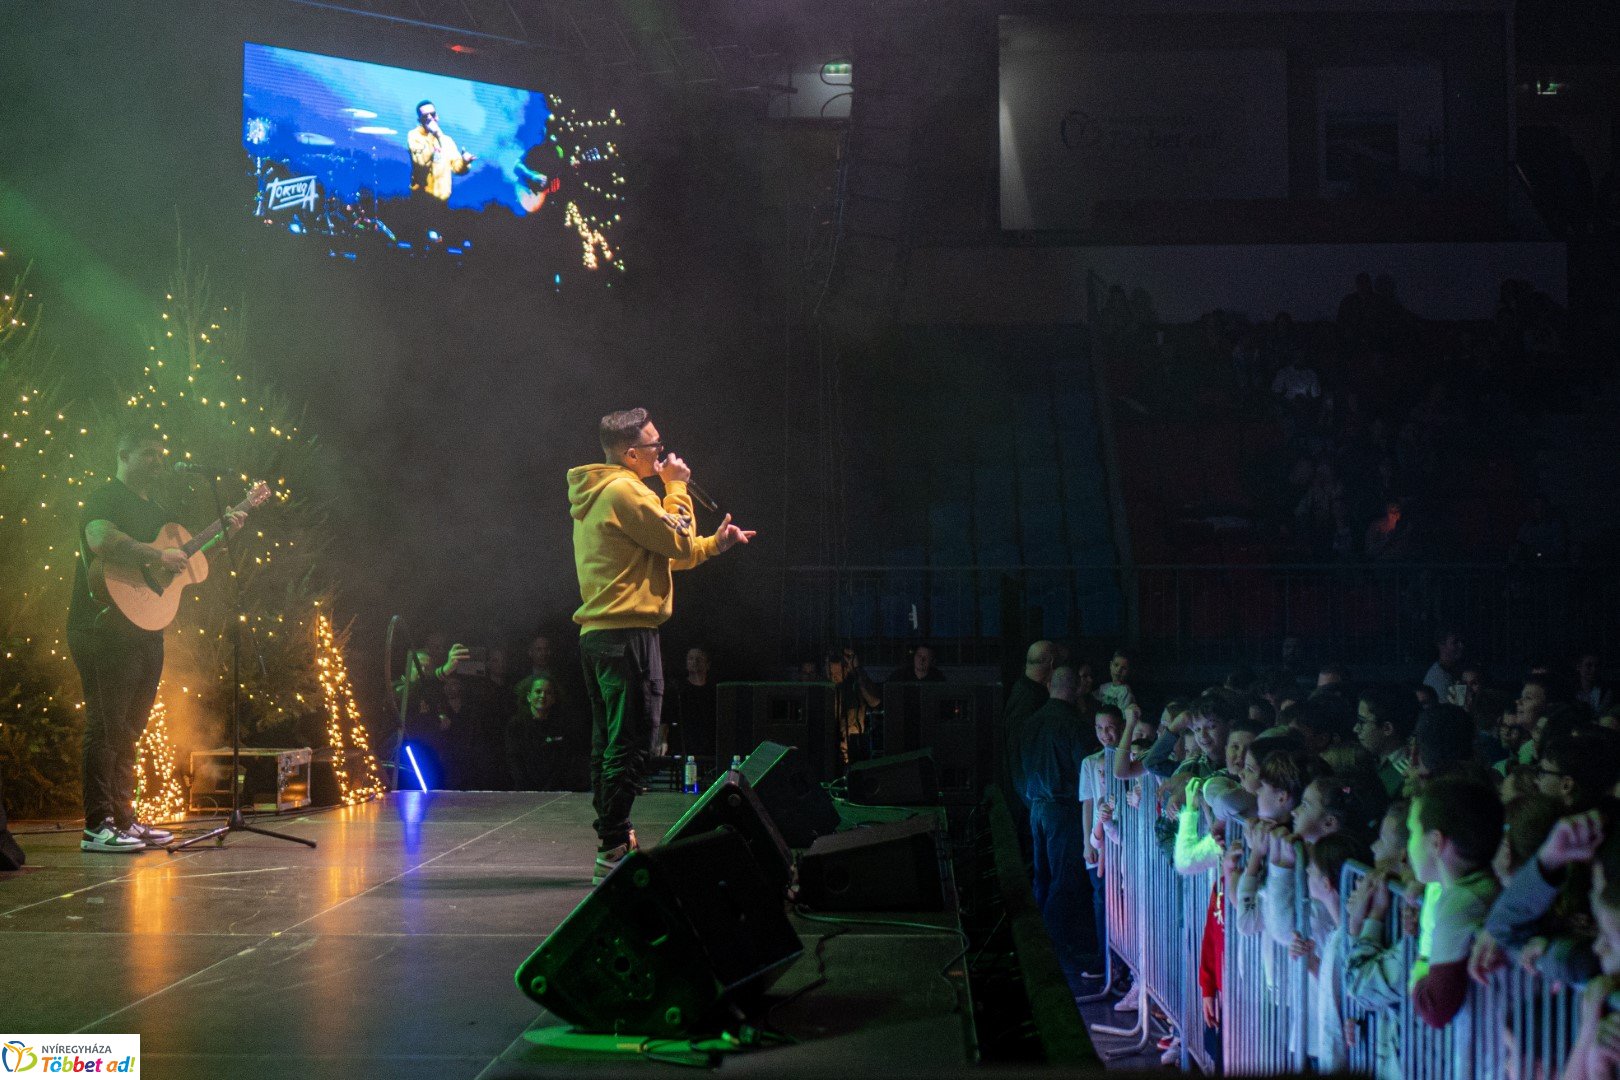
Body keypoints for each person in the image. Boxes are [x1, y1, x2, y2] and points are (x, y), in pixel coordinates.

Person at [568, 408, 754, 883]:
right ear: (632, 453)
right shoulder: (625, 491)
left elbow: (670, 553)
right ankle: (612, 846)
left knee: (611, 744)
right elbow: (677, 540)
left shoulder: (604, 492)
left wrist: (715, 544)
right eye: (655, 446)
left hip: (602, 636)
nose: (663, 452)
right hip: (627, 634)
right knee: (632, 744)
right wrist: (676, 487)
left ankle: (614, 836)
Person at [69, 429, 245, 852]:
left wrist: (223, 536)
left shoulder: (159, 513)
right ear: (123, 454)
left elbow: (186, 566)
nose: (158, 461)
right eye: (148, 454)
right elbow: (100, 538)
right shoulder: (106, 496)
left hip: (145, 628)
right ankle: (96, 826)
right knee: (105, 726)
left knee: (130, 729)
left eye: (160, 455)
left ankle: (124, 820)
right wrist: (156, 555)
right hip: (101, 627)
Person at [1018, 667, 1096, 991]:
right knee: (1064, 883)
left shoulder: (1030, 722)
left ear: (1050, 685)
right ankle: (1056, 956)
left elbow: (1020, 765)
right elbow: (1088, 771)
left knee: (1042, 880)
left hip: (1036, 807)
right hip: (1063, 810)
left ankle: (1036, 950)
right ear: (1075, 688)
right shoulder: (1074, 725)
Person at [1407, 775, 1504, 1030]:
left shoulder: (1461, 902)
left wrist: (1419, 969)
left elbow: (1434, 1007)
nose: (1408, 847)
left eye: (1412, 833)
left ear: (1435, 842)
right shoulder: (1488, 886)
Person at [407, 99, 474, 203]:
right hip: (421, 200)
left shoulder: (446, 140)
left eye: (432, 114)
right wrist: (435, 135)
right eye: (425, 117)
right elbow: (421, 162)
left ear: (437, 116)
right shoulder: (414, 136)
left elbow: (457, 169)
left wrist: (465, 162)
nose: (430, 118)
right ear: (419, 120)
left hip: (442, 202)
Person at [663, 645, 717, 759]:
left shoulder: (714, 691)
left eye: (699, 659)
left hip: (709, 749)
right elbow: (666, 718)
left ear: (707, 665)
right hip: (683, 748)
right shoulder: (678, 690)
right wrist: (662, 741)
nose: (694, 662)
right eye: (691, 658)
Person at [1423, 628, 1465, 703]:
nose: (1461, 646)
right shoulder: (1437, 679)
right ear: (1441, 646)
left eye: (1462, 641)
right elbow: (1455, 707)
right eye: (1455, 642)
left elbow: (1459, 703)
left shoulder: (1454, 671)